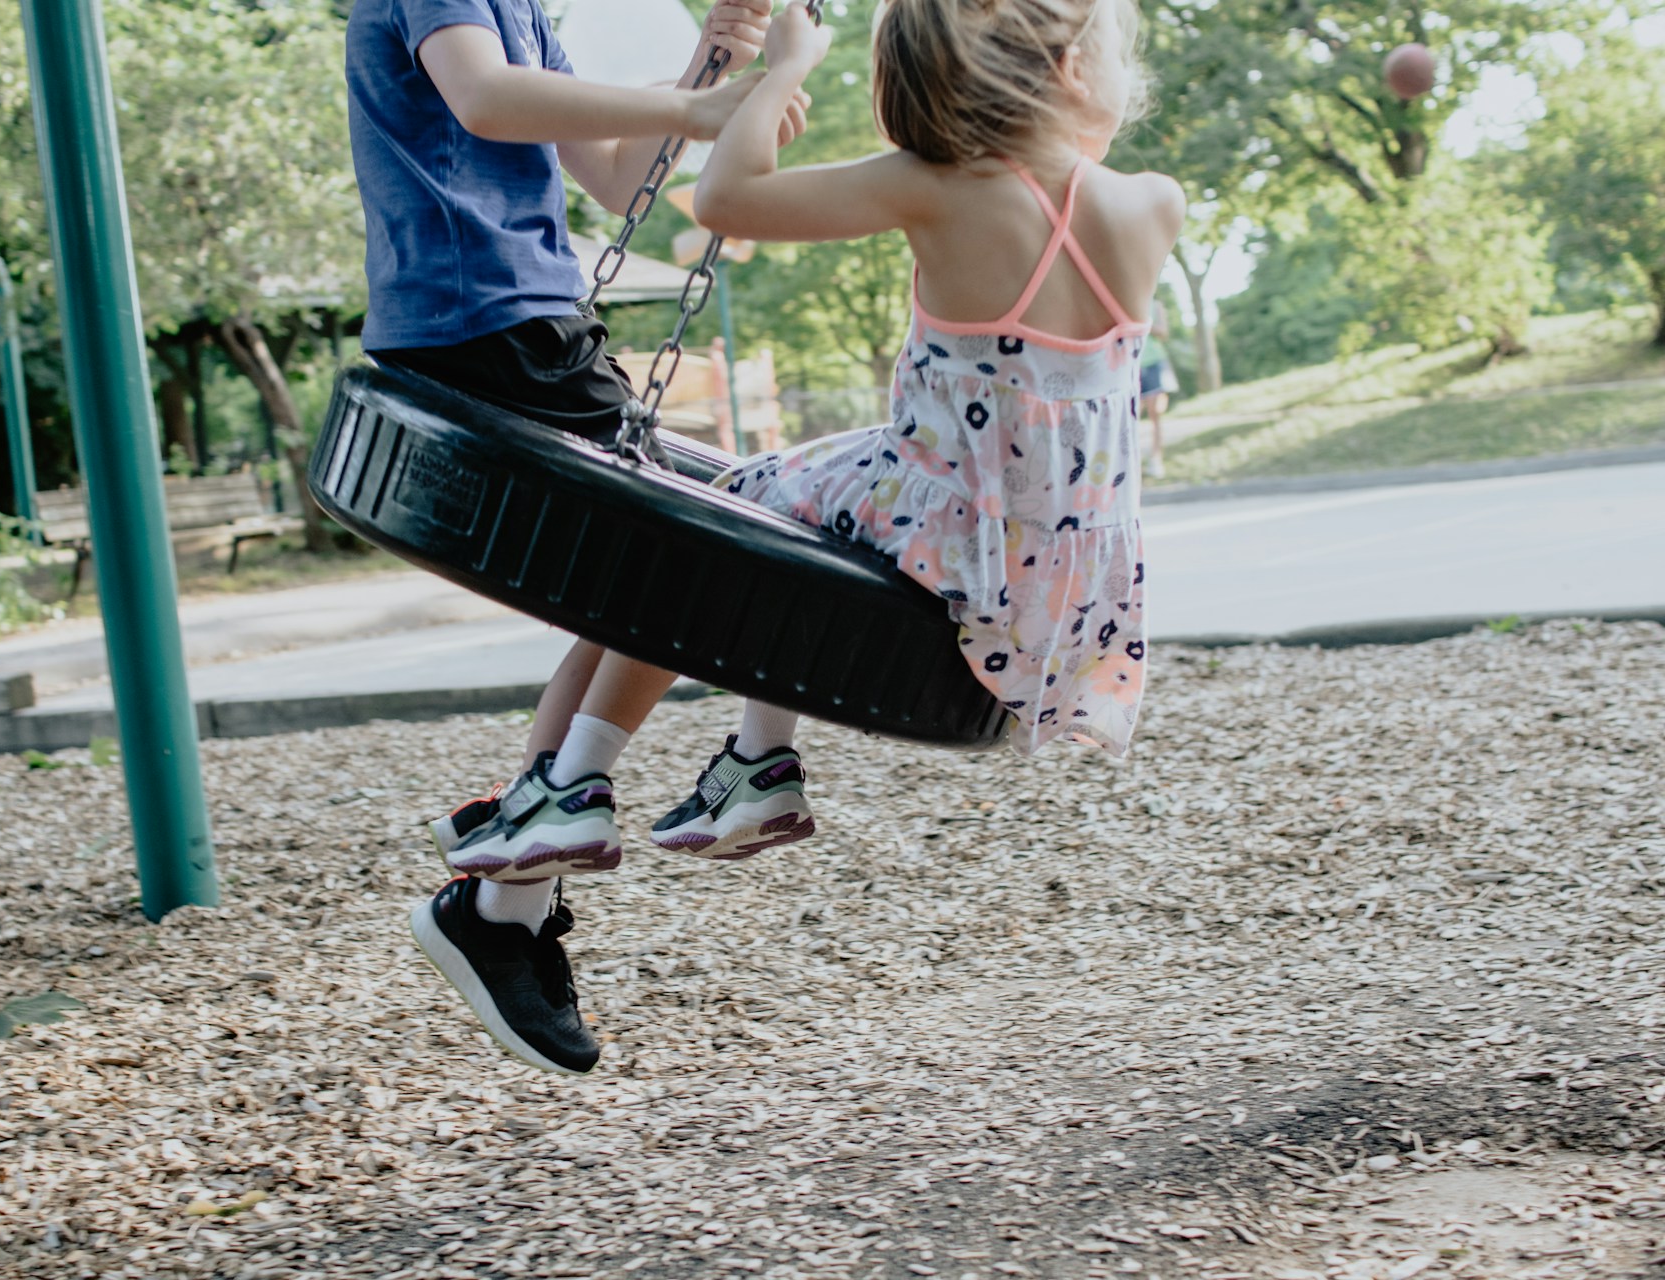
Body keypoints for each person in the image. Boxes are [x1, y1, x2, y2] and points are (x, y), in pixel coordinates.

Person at [423, 0, 1184, 1076]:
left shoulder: (932, 186)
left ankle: (591, 775)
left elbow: (726, 198)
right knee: (787, 518)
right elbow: (1076, 187)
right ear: (1067, 68)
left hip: (938, 522)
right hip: (1059, 593)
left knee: (729, 517)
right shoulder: (1152, 204)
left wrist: (781, 68)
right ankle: (749, 760)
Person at [349, 0, 810, 1075]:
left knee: (645, 591)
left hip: (531, 325)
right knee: (698, 556)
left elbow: (618, 183)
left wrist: (724, 65)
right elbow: (483, 97)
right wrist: (698, 102)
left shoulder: (527, 11)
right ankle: (521, 891)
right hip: (486, 327)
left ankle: (510, 899)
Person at [1139, 301, 1180, 479]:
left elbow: (1163, 332)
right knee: (1132, 416)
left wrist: (1144, 323)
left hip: (1154, 363)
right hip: (1130, 364)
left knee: (1155, 414)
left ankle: (1156, 460)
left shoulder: (1156, 306)